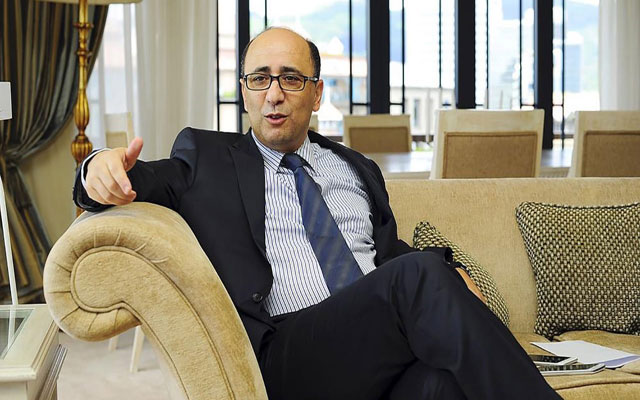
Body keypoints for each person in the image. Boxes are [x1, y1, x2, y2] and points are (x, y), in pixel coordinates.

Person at [75, 27, 560, 400]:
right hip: (290, 354)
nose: (274, 93)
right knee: (420, 277)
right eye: (259, 79)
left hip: (374, 347)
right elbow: (140, 180)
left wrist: (448, 274)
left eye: (290, 78)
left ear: (317, 93)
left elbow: (386, 257)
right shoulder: (206, 158)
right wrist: (96, 168)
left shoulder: (356, 167)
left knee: (443, 385)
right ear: (245, 91)